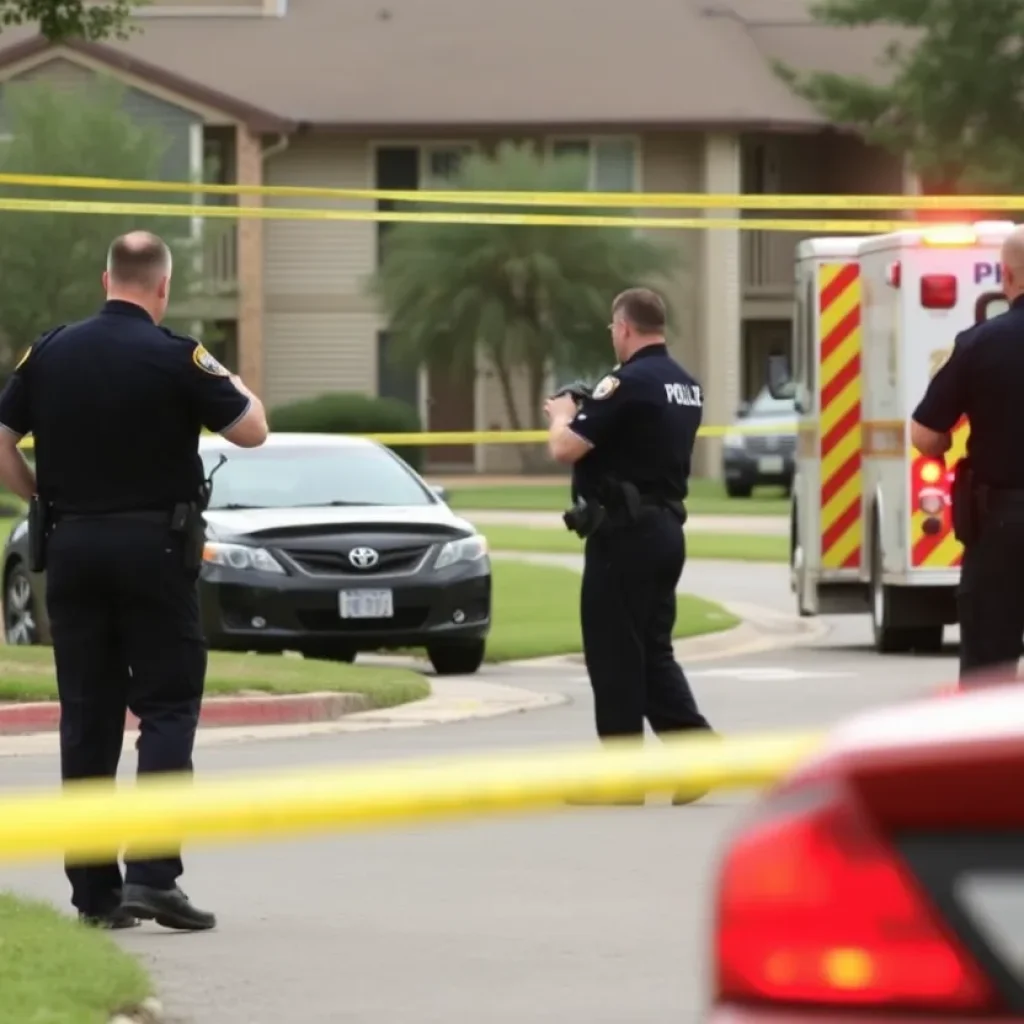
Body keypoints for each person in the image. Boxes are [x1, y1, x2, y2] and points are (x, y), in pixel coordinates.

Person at [0, 231, 268, 930]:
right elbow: (252, 431)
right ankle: (153, 876)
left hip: (74, 545)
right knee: (167, 707)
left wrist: (37, 495)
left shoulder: (50, 352)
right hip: (155, 548)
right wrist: (221, 373)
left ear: (105, 278)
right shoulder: (178, 356)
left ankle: (95, 895)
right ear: (163, 287)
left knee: (87, 716)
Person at [543, 287, 714, 805]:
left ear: (623, 328)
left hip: (625, 534)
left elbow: (565, 448)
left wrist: (563, 413)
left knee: (614, 655)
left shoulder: (626, 381)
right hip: (665, 530)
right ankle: (699, 754)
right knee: (651, 653)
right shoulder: (687, 385)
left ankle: (624, 778)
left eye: (613, 331)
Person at [912, 224, 1024, 686]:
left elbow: (924, 434)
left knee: (988, 673)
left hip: (1002, 525)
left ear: (1007, 275)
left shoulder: (980, 343)